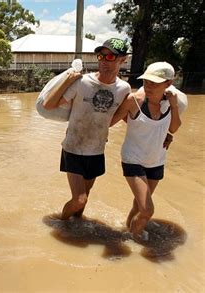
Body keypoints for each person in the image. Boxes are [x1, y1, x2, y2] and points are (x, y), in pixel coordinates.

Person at [42, 38, 131, 220]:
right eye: (101, 56)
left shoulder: (124, 89)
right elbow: (48, 104)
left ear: (123, 60)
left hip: (97, 150)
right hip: (73, 147)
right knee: (80, 199)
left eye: (110, 56)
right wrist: (68, 80)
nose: (104, 61)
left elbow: (119, 118)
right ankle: (63, 224)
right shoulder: (81, 82)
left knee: (85, 199)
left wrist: (164, 134)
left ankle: (77, 227)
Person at [110, 62, 181, 240]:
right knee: (147, 209)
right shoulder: (133, 101)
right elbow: (109, 122)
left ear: (169, 83)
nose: (149, 86)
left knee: (139, 205)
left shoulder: (172, 103)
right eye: (147, 81)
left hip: (156, 160)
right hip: (132, 159)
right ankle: (134, 242)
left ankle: (128, 229)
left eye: (155, 83)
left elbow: (174, 128)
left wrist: (173, 105)